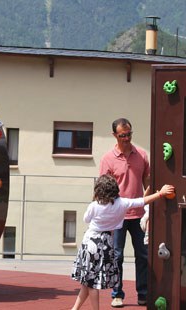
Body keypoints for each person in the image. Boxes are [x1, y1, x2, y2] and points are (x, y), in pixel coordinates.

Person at [71, 174, 174, 310]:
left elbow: (86, 219)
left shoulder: (94, 206)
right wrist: (160, 194)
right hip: (107, 243)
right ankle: (75, 308)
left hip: (91, 243)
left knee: (91, 282)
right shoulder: (122, 203)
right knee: (87, 282)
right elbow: (142, 201)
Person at [99, 117, 151, 307]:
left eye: (129, 134)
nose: (127, 138)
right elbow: (103, 188)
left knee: (144, 255)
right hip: (117, 217)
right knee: (117, 256)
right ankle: (117, 294)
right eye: (123, 135)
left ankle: (143, 293)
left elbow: (148, 181)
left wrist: (149, 208)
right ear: (115, 135)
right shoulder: (107, 159)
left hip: (139, 216)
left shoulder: (142, 155)